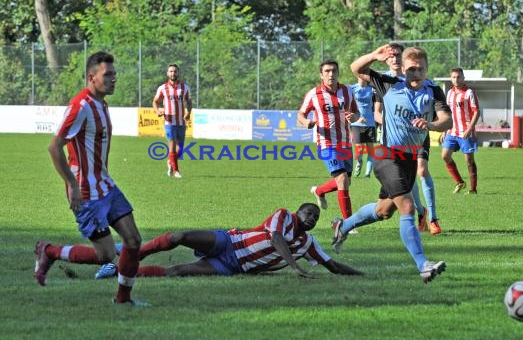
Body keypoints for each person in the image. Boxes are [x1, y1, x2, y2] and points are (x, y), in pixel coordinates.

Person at [331, 46, 452, 283]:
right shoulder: (388, 84)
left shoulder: (434, 91)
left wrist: (432, 126)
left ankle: (342, 226)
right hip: (386, 155)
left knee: (383, 211)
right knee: (407, 207)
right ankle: (423, 265)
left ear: (427, 69)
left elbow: (446, 120)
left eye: (420, 69)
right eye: (411, 69)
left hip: (408, 159)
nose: (415, 74)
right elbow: (355, 68)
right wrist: (375, 57)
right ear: (403, 69)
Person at [39, 51, 147, 306]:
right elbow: (54, 147)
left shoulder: (101, 104)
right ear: (91, 77)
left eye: (114, 74)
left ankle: (123, 299)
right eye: (107, 75)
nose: (113, 79)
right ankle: (49, 251)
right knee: (106, 255)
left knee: (133, 241)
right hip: (86, 192)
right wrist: (73, 186)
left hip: (106, 185)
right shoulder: (81, 106)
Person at [119, 203, 362, 278]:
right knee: (179, 236)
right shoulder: (284, 216)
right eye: (309, 213)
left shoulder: (308, 244)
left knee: (176, 272)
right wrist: (295, 266)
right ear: (298, 212)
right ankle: (135, 255)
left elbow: (333, 265)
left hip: (232, 266)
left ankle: (122, 271)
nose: (312, 218)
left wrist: (360, 274)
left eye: (316, 217)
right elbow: (276, 238)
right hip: (230, 242)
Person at [369, 43, 441, 234]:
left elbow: (440, 115)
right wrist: (393, 121)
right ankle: (420, 212)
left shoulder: (427, 84)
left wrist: (435, 125)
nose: (394, 58)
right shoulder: (386, 83)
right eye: (391, 56)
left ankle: (433, 218)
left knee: (422, 170)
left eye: (398, 55)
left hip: (420, 135)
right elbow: (377, 113)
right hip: (394, 138)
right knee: (396, 195)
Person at [298, 60, 359, 221]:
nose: (330, 74)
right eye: (327, 71)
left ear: (338, 73)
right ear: (321, 74)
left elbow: (356, 113)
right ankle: (349, 224)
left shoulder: (348, 91)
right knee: (342, 180)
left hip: (345, 143)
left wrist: (354, 117)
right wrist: (306, 122)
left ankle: (319, 191)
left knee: (345, 182)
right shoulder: (314, 94)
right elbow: (301, 114)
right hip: (326, 144)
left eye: (333, 71)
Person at [441, 67, 480, 194]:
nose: (456, 79)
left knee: (469, 161)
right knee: (445, 156)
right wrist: (443, 130)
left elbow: (476, 112)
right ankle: (460, 182)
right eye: (453, 77)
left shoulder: (469, 93)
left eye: (458, 77)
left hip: (465, 132)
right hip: (452, 131)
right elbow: (448, 113)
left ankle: (473, 189)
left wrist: (469, 129)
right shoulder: (450, 93)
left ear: (463, 78)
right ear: (450, 79)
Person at [152, 63, 192, 178]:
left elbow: (189, 102)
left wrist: (188, 112)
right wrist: (157, 111)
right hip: (169, 122)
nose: (172, 73)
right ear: (167, 73)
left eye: (174, 71)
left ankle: (170, 162)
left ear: (178, 73)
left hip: (181, 122)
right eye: (170, 71)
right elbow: (155, 101)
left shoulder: (184, 87)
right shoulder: (162, 88)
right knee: (172, 146)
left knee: (180, 149)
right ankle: (176, 171)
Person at [350, 77, 377, 178]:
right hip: (356, 124)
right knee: (359, 150)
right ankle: (359, 162)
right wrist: (356, 117)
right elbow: (347, 105)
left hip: (370, 124)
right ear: (357, 76)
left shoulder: (372, 89)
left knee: (370, 150)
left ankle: (367, 173)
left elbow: (378, 103)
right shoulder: (352, 89)